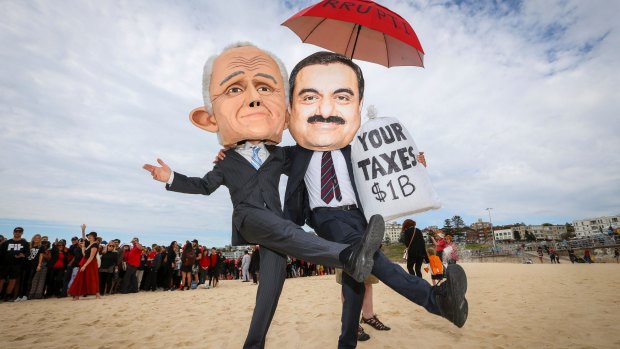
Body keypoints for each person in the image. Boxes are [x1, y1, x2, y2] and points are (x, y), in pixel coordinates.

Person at [143, 43, 384, 349]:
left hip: (277, 230)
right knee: (287, 229)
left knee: (270, 290)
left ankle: (253, 344)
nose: (254, 100)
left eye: (264, 89)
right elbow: (203, 186)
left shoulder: (280, 154)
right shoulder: (227, 162)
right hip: (249, 218)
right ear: (211, 118)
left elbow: (325, 146)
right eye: (234, 90)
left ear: (285, 116)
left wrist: (394, 153)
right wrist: (171, 177)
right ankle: (348, 256)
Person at [283, 51, 468, 348]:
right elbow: (259, 153)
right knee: (372, 259)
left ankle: (347, 341)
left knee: (357, 276)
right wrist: (230, 152)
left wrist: (412, 159)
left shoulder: (352, 146)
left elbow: (383, 160)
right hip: (326, 216)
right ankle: (436, 300)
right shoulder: (296, 152)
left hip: (358, 215)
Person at [68, 225, 101, 300]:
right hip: (85, 261)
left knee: (92, 278)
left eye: (90, 236)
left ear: (94, 237)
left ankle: (97, 294)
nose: (89, 237)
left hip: (90, 263)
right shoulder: (89, 244)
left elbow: (92, 257)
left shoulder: (95, 244)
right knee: (80, 277)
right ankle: (77, 295)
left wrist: (85, 265)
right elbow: (84, 254)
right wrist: (83, 230)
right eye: (88, 236)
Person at [0, 227, 29, 302]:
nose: (17, 233)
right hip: (5, 264)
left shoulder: (25, 243)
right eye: (16, 231)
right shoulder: (6, 243)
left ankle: (7, 296)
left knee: (13, 280)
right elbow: (1, 253)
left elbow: (27, 254)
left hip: (17, 265)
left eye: (19, 232)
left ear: (22, 233)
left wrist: (23, 255)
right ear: (13, 232)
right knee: (1, 280)